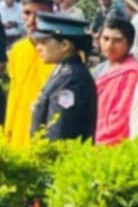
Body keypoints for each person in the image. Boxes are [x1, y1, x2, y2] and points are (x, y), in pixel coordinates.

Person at [28, 11, 99, 142]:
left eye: (43, 42)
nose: (38, 48)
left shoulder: (70, 80)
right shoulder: (63, 72)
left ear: (65, 45)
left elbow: (60, 132)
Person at [2, 0, 52, 146]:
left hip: (47, 134)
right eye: (27, 13)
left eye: (39, 15)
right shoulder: (17, 50)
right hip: (19, 130)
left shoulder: (63, 53)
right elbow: (14, 94)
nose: (31, 21)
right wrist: (8, 129)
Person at [92, 16, 138, 146]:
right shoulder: (100, 68)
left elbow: (122, 115)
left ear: (129, 43)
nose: (109, 45)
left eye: (117, 41)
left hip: (111, 141)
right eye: (105, 39)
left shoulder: (132, 73)